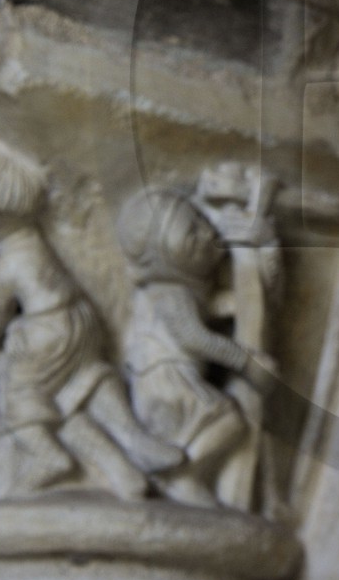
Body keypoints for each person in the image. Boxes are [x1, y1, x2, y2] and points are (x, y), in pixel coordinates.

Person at [0, 134, 182, 496]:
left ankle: (45, 455)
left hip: (44, 331)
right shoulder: (35, 241)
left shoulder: (8, 262)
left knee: (22, 400)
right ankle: (130, 454)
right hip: (79, 317)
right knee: (85, 381)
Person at [116, 187, 277, 509]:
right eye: (193, 235)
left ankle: (181, 475)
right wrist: (245, 362)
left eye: (203, 221)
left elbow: (230, 305)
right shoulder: (172, 294)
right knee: (230, 420)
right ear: (164, 257)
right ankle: (182, 473)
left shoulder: (168, 290)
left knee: (225, 423)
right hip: (171, 387)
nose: (208, 233)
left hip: (160, 388)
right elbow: (193, 337)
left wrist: (262, 257)